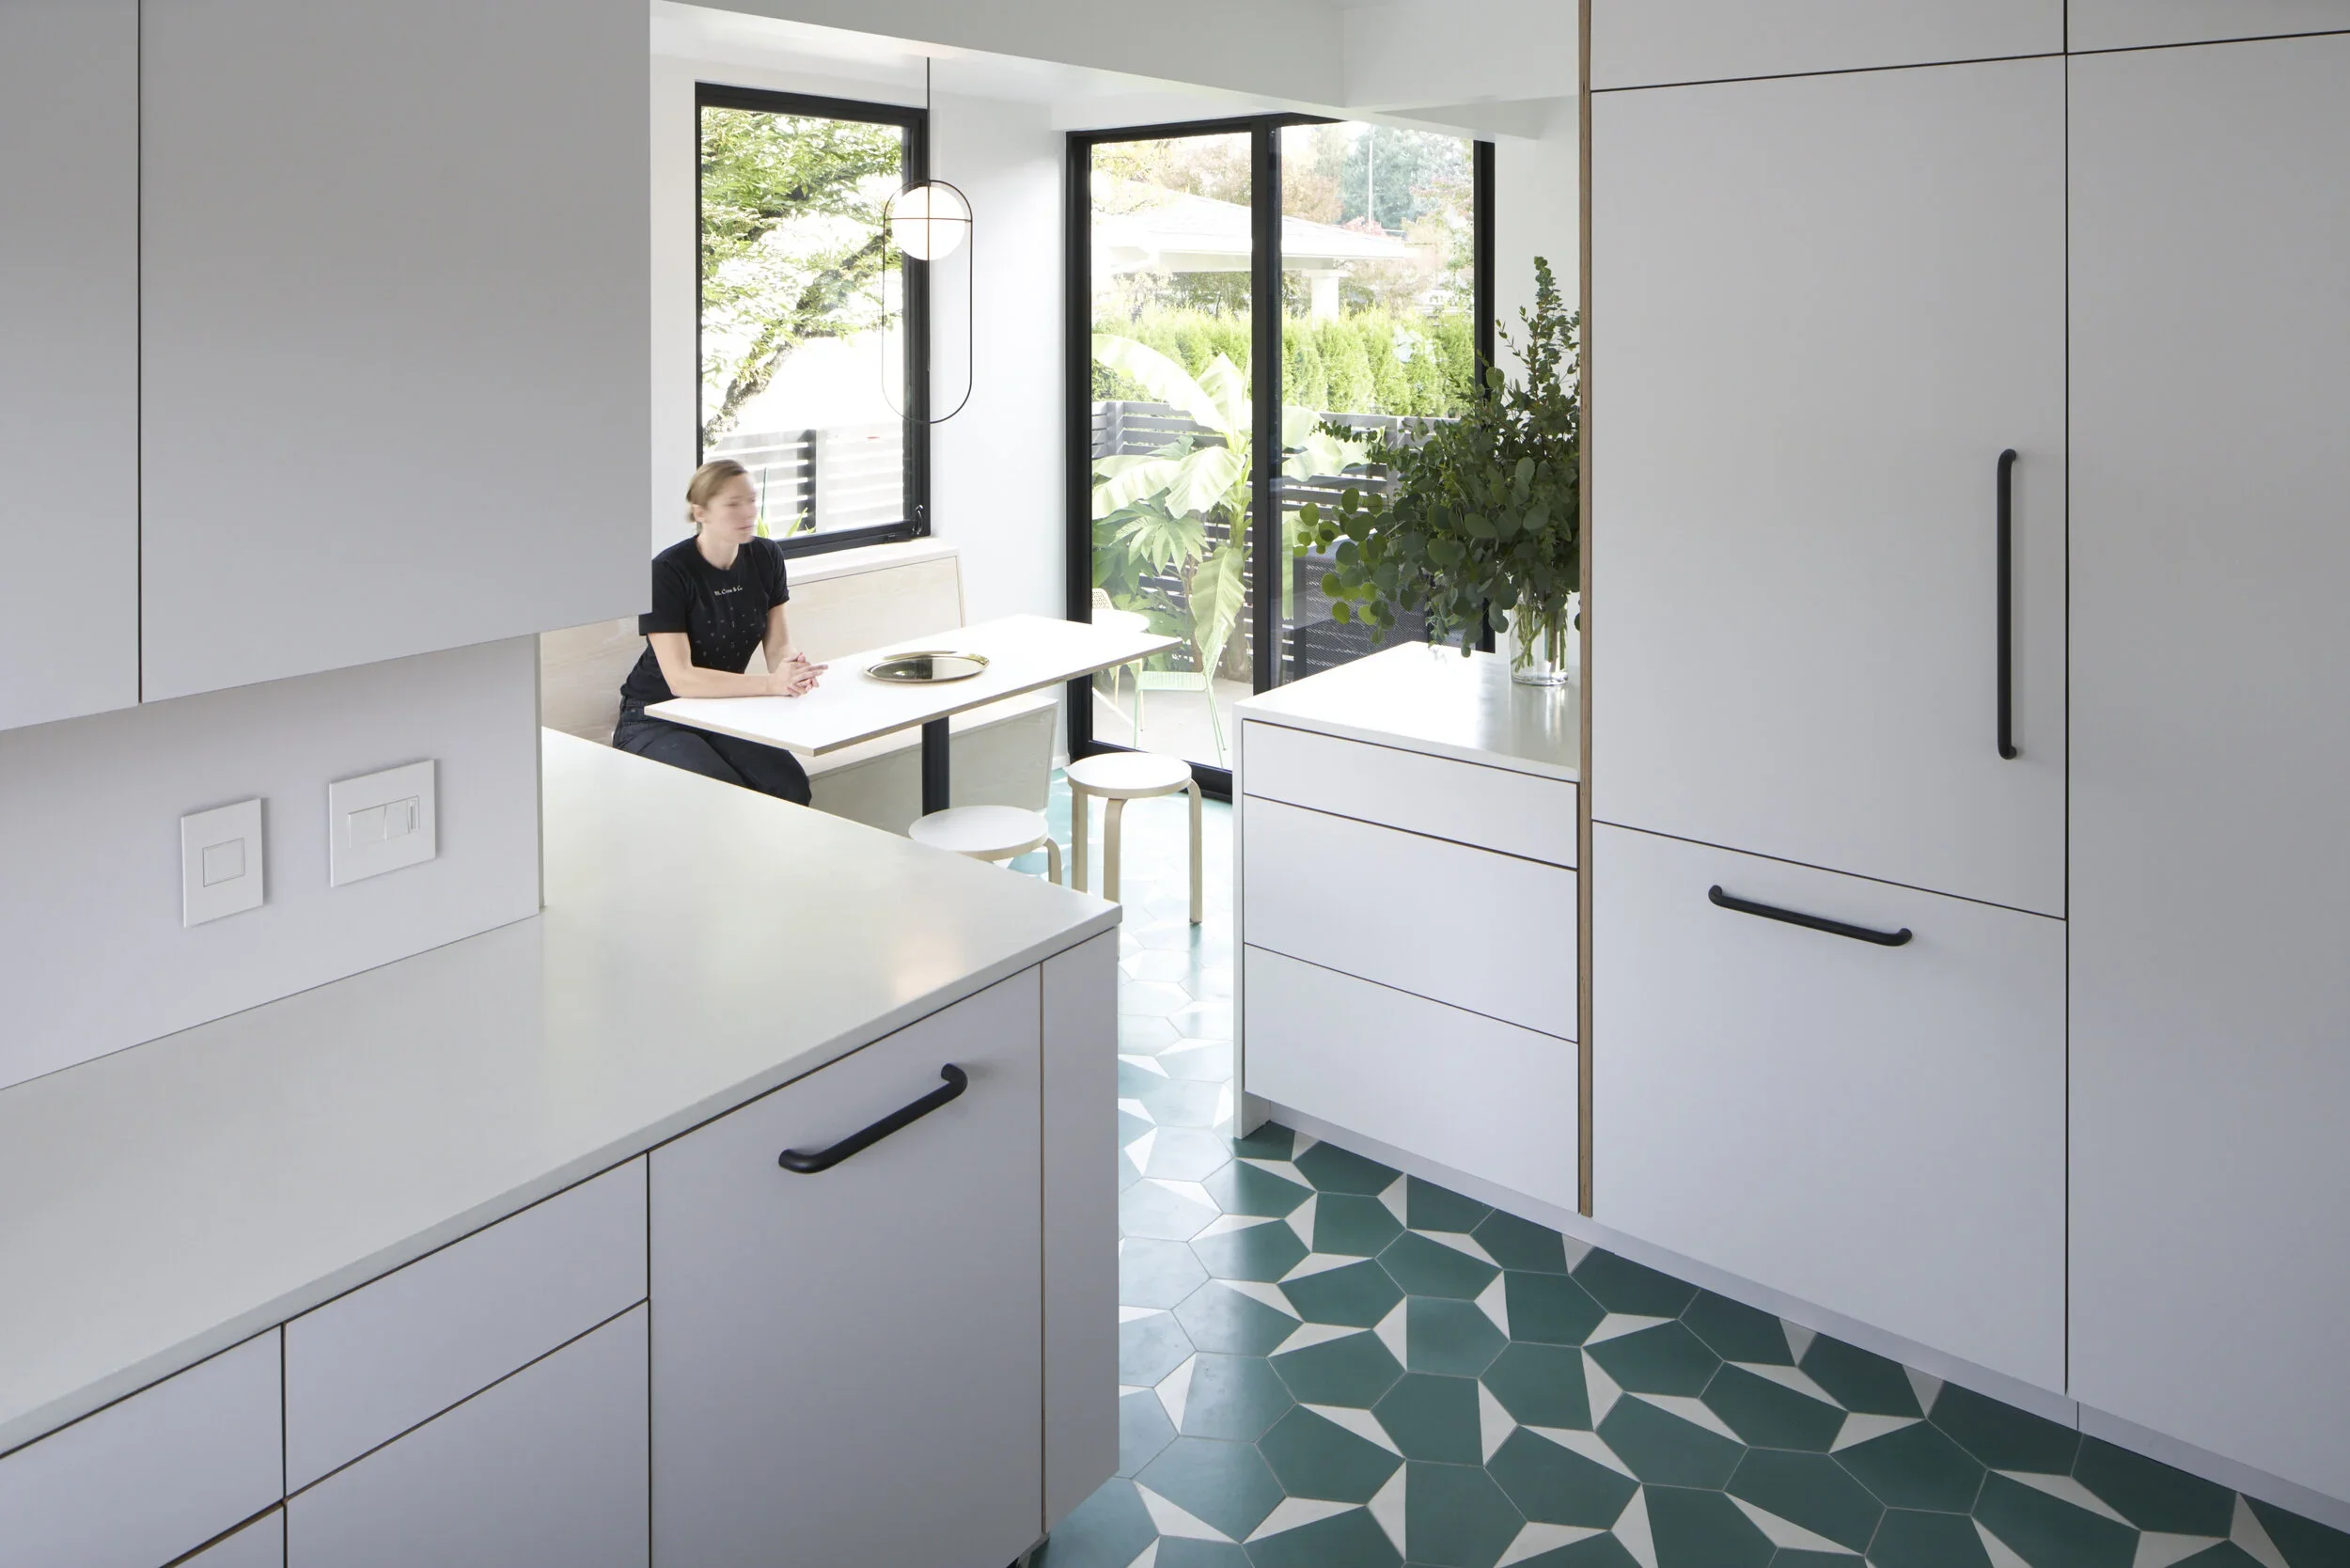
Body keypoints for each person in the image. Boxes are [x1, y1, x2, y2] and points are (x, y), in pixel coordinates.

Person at [612, 461, 826, 803]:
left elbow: (778, 644)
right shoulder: (667, 572)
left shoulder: (766, 556)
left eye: (751, 500)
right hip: (654, 716)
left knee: (789, 784)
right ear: (701, 512)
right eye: (732, 503)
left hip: (723, 710)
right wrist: (771, 685)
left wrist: (792, 671)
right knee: (721, 793)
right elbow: (680, 679)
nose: (748, 512)